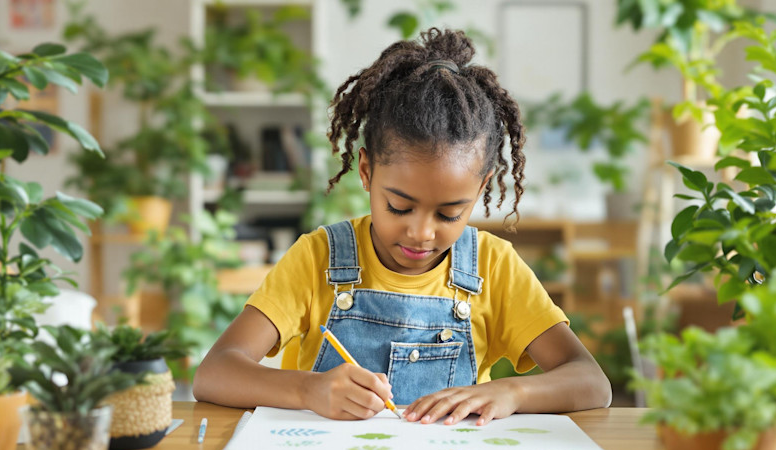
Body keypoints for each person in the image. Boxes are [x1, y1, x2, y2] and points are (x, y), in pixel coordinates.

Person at [194, 28, 611, 425]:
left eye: (449, 214)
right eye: (399, 207)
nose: (422, 233)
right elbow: (214, 373)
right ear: (366, 172)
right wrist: (307, 390)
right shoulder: (317, 258)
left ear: (482, 187)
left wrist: (511, 394)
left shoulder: (493, 267)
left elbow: (591, 382)